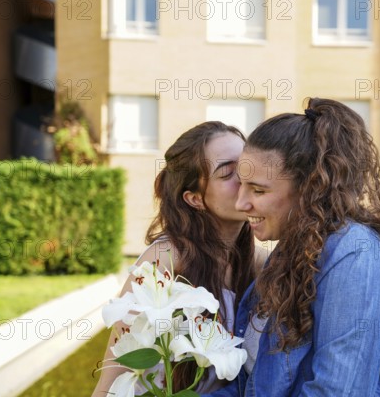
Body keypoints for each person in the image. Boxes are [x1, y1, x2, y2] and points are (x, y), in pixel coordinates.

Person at [205, 98, 380, 396]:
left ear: (310, 189)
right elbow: (249, 382)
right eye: (241, 185)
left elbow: (336, 392)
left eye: (258, 189)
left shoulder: (356, 258)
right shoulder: (289, 253)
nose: (242, 203)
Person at [93, 121, 266, 396]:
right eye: (229, 172)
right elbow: (111, 382)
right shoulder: (165, 260)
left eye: (247, 164)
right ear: (195, 198)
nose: (245, 177)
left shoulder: (256, 262)